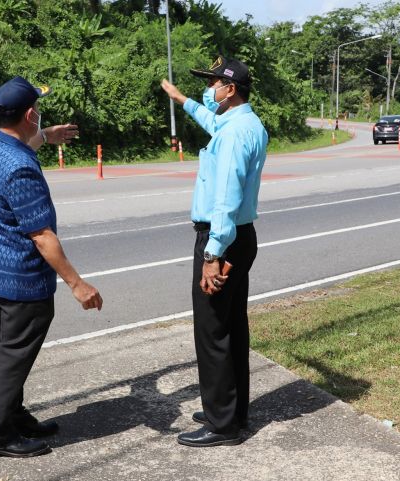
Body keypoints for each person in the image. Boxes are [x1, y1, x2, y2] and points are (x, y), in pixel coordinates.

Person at [0, 76, 103, 458]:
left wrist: (45, 135)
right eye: (38, 110)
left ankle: (13, 416)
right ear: (29, 113)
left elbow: (23, 141)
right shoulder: (21, 169)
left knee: (4, 355)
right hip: (24, 282)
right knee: (13, 360)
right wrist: (77, 284)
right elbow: (42, 236)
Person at [161, 56, 268, 447]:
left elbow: (226, 196)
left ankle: (221, 425)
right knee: (232, 327)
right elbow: (211, 117)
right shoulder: (242, 123)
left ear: (231, 90)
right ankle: (231, 411)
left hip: (221, 238)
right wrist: (183, 98)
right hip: (240, 236)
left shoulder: (233, 134)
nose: (211, 90)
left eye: (216, 84)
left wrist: (211, 254)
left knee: (212, 330)